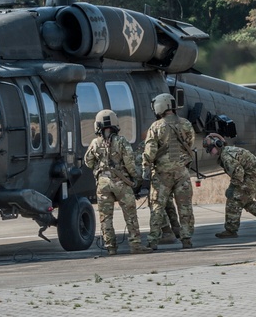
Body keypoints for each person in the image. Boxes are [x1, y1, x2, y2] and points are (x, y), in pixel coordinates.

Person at [83, 109, 150, 255]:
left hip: (103, 184)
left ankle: (111, 247)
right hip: (121, 184)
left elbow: (88, 162)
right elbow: (130, 164)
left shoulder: (95, 143)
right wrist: (135, 179)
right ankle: (136, 245)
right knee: (130, 215)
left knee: (106, 217)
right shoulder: (121, 142)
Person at [143, 93, 196, 248]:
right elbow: (190, 144)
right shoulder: (186, 124)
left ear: (159, 107)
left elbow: (150, 151)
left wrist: (146, 169)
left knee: (157, 207)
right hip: (182, 172)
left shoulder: (156, 127)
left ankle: (153, 240)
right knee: (185, 207)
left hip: (162, 174)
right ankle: (186, 239)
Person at [204, 133, 256, 238]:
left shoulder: (226, 156)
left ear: (218, 144)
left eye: (210, 149)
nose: (209, 152)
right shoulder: (227, 151)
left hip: (251, 176)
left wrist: (231, 188)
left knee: (234, 199)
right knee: (246, 201)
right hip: (253, 175)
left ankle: (231, 230)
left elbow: (238, 174)